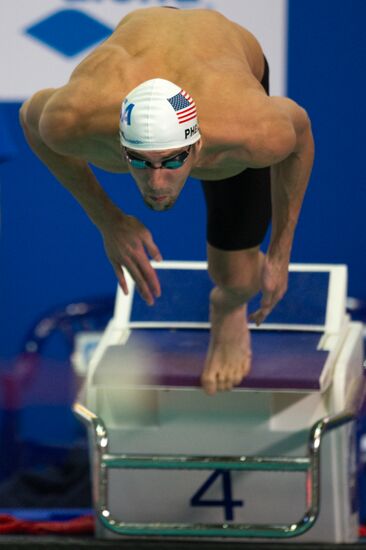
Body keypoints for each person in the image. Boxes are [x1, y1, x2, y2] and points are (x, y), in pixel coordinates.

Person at [19, 7, 314, 395]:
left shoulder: (247, 129)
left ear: (198, 145)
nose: (156, 181)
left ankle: (228, 307)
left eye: (173, 160)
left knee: (238, 278)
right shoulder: (75, 117)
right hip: (139, 44)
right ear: (119, 144)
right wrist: (108, 219)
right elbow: (30, 118)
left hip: (222, 55)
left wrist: (279, 250)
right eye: (139, 161)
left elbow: (301, 139)